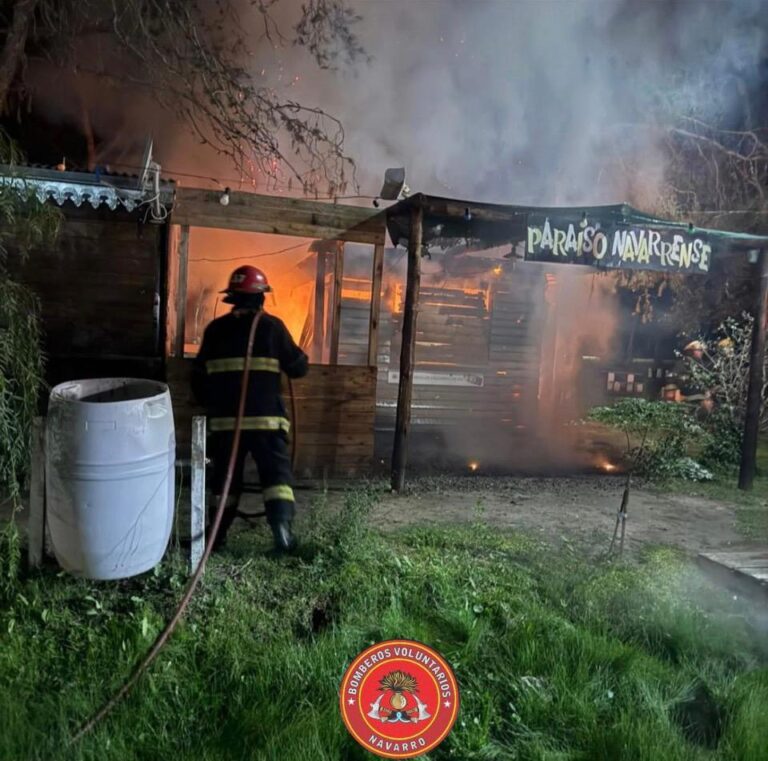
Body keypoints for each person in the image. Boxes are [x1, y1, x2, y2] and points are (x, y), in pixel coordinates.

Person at [191, 265, 308, 553]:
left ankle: (216, 537)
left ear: (231, 298)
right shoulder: (272, 327)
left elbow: (197, 377)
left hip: (225, 425)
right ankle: (282, 534)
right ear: (261, 298)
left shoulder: (215, 330)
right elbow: (299, 367)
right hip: (267, 424)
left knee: (225, 480)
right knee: (276, 478)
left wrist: (214, 405)